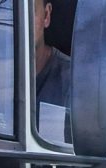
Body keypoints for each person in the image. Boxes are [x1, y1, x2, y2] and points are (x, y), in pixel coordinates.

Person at [33, 0, 71, 142]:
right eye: (8, 13)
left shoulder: (72, 82)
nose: (17, 24)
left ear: (46, 15)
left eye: (29, 12)